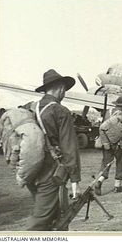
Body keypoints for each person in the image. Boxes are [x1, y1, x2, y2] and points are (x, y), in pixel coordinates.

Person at [27, 69, 81, 230]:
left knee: (55, 217)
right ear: (61, 88)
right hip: (51, 174)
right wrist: (75, 180)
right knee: (40, 221)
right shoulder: (60, 110)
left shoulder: (32, 108)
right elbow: (69, 147)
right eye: (64, 88)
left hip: (32, 170)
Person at [95, 96, 122, 195]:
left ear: (115, 104)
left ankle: (100, 180)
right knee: (120, 163)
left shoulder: (108, 113)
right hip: (119, 144)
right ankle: (117, 186)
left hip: (107, 143)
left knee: (106, 164)